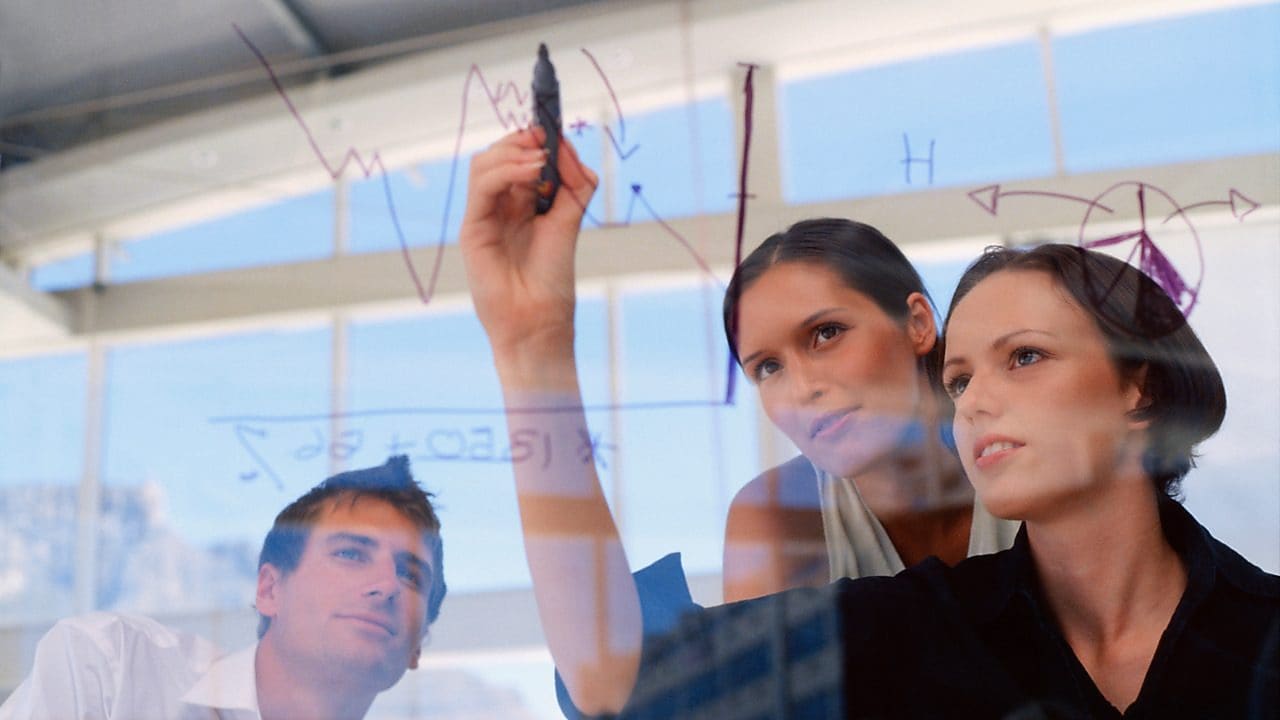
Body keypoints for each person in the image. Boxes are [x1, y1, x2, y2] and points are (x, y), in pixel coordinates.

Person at [459, 129, 1277, 716]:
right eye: (962, 379)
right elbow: (616, 679)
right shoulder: (922, 623)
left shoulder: (1256, 626)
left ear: (1137, 387)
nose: (977, 399)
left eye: (1024, 357)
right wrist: (533, 349)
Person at [0, 455, 447, 720]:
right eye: (351, 553)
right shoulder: (111, 669)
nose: (387, 584)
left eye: (412, 576)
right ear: (270, 590)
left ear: (417, 647)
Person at [721, 219, 1017, 602]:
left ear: (917, 324)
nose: (802, 389)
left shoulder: (1029, 454)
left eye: (827, 333)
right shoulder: (775, 517)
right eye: (768, 368)